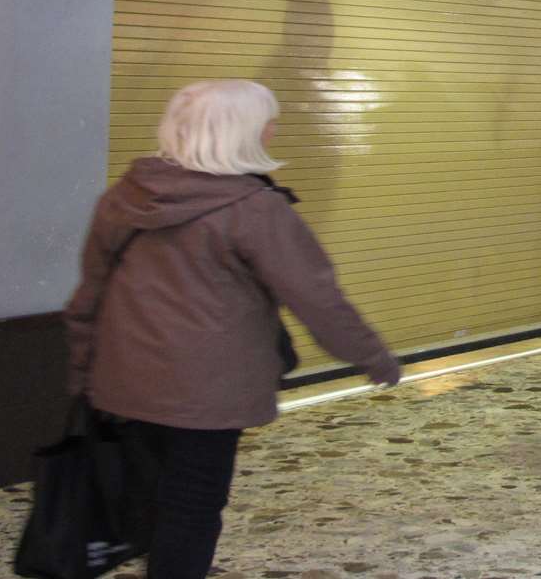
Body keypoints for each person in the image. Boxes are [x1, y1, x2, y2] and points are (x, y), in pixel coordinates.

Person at [66, 80, 400, 578]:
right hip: (206, 395)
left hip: (126, 381)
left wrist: (81, 373)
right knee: (192, 508)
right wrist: (372, 355)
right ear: (243, 132)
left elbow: (90, 292)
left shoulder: (126, 196)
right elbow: (316, 297)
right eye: (269, 121)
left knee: (154, 499)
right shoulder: (253, 209)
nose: (274, 129)